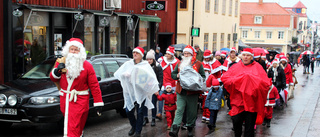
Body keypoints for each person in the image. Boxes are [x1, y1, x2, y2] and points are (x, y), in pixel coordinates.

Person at [50, 38, 104, 137]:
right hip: (65, 100)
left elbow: (94, 85)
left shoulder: (87, 66)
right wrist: (57, 71)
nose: (74, 52)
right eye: (72, 49)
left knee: (75, 126)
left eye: (76, 50)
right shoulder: (61, 62)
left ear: (80, 52)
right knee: (73, 127)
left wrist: (98, 103)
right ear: (68, 50)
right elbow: (53, 78)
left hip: (80, 100)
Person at [221, 48, 271, 137]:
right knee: (236, 121)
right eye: (244, 55)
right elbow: (225, 79)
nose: (246, 57)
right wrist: (239, 80)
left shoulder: (258, 67)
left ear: (252, 57)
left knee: (249, 128)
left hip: (252, 102)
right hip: (238, 101)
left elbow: (265, 83)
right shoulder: (236, 66)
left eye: (248, 55)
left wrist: (251, 80)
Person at [114, 47, 159, 137]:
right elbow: (119, 74)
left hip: (140, 92)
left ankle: (138, 131)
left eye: (137, 53)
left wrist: (154, 88)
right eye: (134, 52)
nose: (134, 54)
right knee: (128, 111)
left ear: (141, 55)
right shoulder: (128, 64)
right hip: (129, 92)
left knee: (140, 112)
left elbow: (151, 78)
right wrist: (125, 75)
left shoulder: (145, 65)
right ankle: (134, 126)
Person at [170, 45, 206, 137]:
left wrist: (197, 79)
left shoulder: (198, 64)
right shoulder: (179, 63)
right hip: (181, 91)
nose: (186, 55)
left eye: (188, 53)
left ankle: (190, 128)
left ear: (192, 54)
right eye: (184, 53)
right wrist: (177, 76)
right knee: (179, 109)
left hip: (193, 92)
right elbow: (173, 74)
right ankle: (175, 129)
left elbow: (203, 76)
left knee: (191, 111)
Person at [157, 46, 180, 120]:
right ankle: (160, 112)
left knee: (172, 98)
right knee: (161, 96)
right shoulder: (161, 60)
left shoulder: (176, 62)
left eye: (168, 54)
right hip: (164, 82)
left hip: (173, 83)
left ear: (172, 55)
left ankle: (171, 111)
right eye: (166, 54)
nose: (167, 55)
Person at [143, 50, 163, 127]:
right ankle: (145, 118)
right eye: (147, 59)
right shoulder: (144, 67)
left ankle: (153, 118)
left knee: (153, 103)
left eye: (150, 59)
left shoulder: (158, 67)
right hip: (145, 88)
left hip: (154, 88)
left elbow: (160, 79)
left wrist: (158, 89)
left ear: (153, 59)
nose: (149, 61)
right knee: (145, 104)